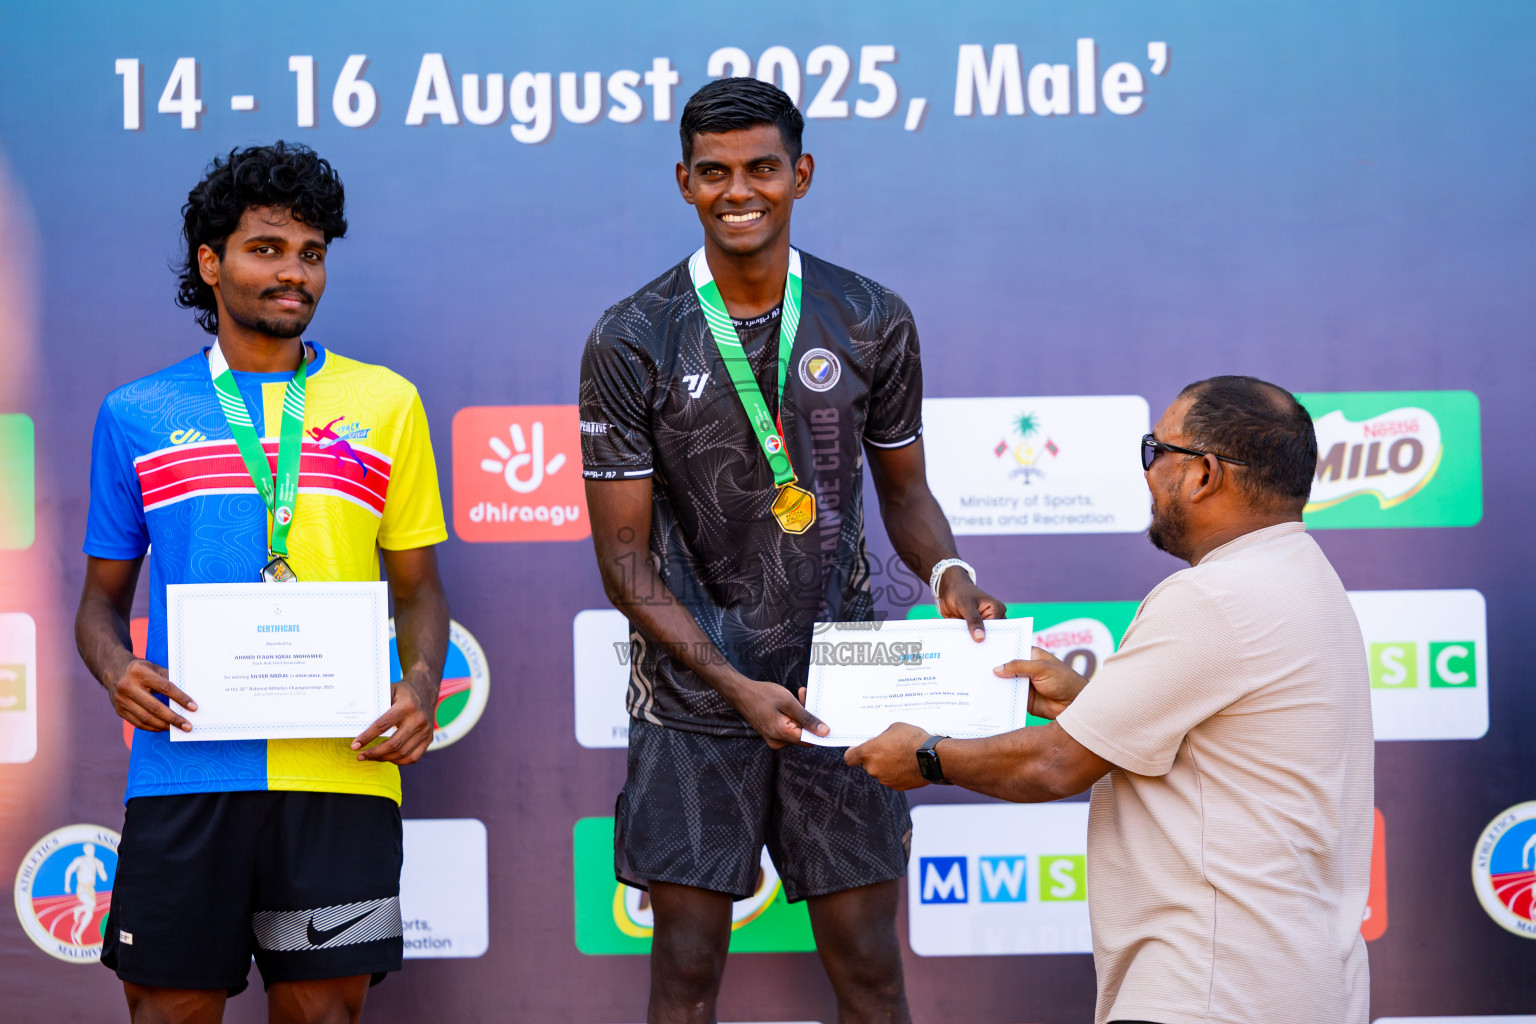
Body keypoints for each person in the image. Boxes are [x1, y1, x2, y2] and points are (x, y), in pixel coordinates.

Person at [580, 77, 1004, 1024]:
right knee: (684, 981)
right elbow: (623, 562)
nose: (741, 190)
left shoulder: (870, 316)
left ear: (800, 175)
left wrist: (948, 573)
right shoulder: (631, 337)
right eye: (716, 171)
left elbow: (906, 492)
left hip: (843, 688)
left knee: (868, 973)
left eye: (762, 168)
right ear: (683, 182)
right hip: (695, 699)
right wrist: (734, 686)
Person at [848, 376, 1374, 1024]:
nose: (1148, 473)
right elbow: (1216, 752)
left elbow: (1054, 766)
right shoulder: (1305, 576)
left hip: (1212, 993)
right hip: (1296, 983)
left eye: (1156, 450)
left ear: (1205, 473)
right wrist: (1089, 705)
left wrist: (926, 758)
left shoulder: (1213, 597)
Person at [75, 142, 449, 1024]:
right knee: (170, 1011)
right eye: (268, 249)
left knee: (324, 1014)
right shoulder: (138, 413)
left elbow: (421, 588)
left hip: (342, 767)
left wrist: (424, 685)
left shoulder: (387, 401)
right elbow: (99, 603)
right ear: (212, 262)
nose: (295, 274)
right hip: (185, 771)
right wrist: (113, 669)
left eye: (312, 254)